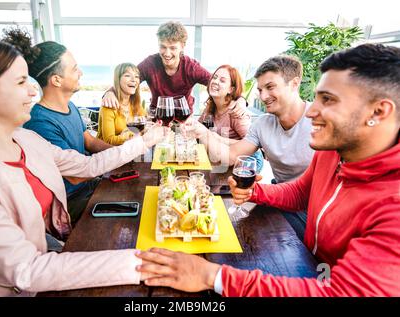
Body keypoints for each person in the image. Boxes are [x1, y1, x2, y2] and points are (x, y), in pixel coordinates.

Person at [136, 43, 400, 296]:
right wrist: (255, 193)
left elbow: (340, 292)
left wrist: (212, 276)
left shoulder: (394, 204)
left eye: (328, 100)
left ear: (378, 111)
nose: (312, 111)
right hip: (311, 263)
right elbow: (300, 192)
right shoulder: (333, 152)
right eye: (318, 97)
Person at [0, 36, 167, 296]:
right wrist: (143, 263)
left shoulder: (27, 139)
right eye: (21, 82)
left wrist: (143, 142)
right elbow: (27, 270)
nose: (32, 91)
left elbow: (87, 166)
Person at [186, 55, 314, 239]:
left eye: (270, 87)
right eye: (260, 90)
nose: (263, 96)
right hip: (277, 195)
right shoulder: (262, 124)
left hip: (311, 208)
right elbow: (231, 156)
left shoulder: (320, 121)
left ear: (294, 84)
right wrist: (203, 133)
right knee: (232, 233)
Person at [1, 28, 113, 225]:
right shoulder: (39, 121)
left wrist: (121, 154)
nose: (81, 73)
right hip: (71, 201)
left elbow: (89, 141)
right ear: (56, 80)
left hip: (91, 184)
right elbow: (76, 176)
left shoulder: (70, 106)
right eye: (74, 69)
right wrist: (115, 160)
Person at [102, 21, 211, 113]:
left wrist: (210, 107)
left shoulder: (191, 67)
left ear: (182, 46)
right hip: (157, 117)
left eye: (173, 48)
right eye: (163, 47)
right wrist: (110, 92)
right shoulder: (150, 63)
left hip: (184, 118)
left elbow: (214, 84)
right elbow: (130, 81)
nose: (167, 54)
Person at [198, 64, 264, 173]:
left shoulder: (236, 111)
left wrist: (219, 139)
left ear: (231, 89)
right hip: (224, 158)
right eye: (214, 77)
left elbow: (254, 145)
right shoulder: (210, 108)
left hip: (249, 160)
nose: (215, 81)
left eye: (222, 80)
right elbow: (199, 129)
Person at [97, 63, 146, 145]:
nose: (134, 79)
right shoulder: (109, 106)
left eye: (137, 76)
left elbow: (145, 127)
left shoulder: (136, 104)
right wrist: (132, 134)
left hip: (128, 152)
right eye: (127, 75)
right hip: (107, 153)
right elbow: (109, 141)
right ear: (118, 79)